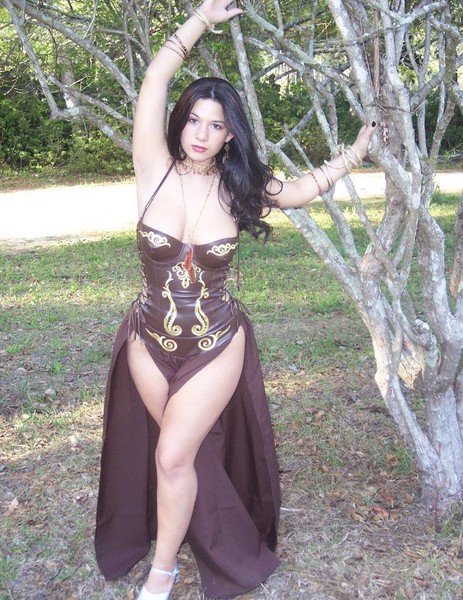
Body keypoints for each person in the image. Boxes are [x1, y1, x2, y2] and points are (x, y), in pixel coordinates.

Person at [94, 1, 376, 599]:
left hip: (215, 343)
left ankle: (163, 571)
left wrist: (353, 155)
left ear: (230, 134)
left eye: (216, 125)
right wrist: (201, 18)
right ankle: (197, 531)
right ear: (180, 122)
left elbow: (298, 191)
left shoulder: (238, 183)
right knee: (182, 455)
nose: (201, 134)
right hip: (148, 339)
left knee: (173, 455)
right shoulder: (151, 166)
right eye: (194, 120)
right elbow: (156, 77)